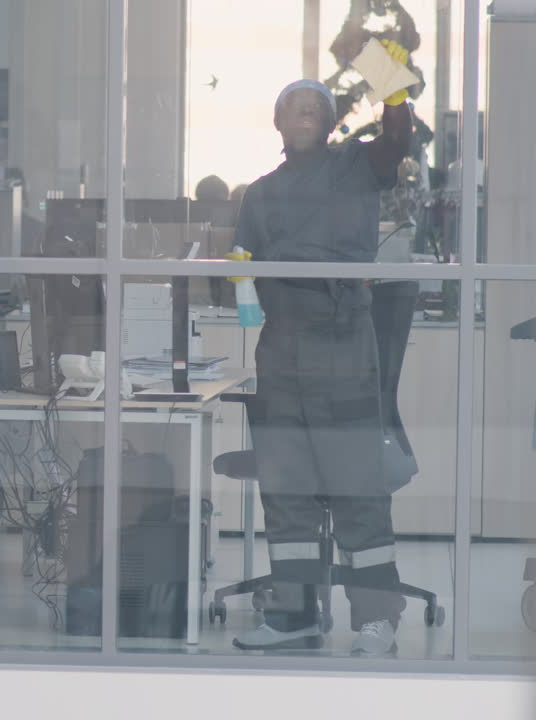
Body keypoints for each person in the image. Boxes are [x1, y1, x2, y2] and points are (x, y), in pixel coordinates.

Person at [227, 40, 412, 656]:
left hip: (342, 344)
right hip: (280, 347)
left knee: (357, 483)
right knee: (286, 489)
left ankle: (375, 620)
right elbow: (242, 268)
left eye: (317, 105)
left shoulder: (355, 167)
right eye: (293, 104)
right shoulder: (256, 194)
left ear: (332, 124)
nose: (305, 109)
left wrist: (386, 77)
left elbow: (396, 139)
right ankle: (293, 615)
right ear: (277, 123)